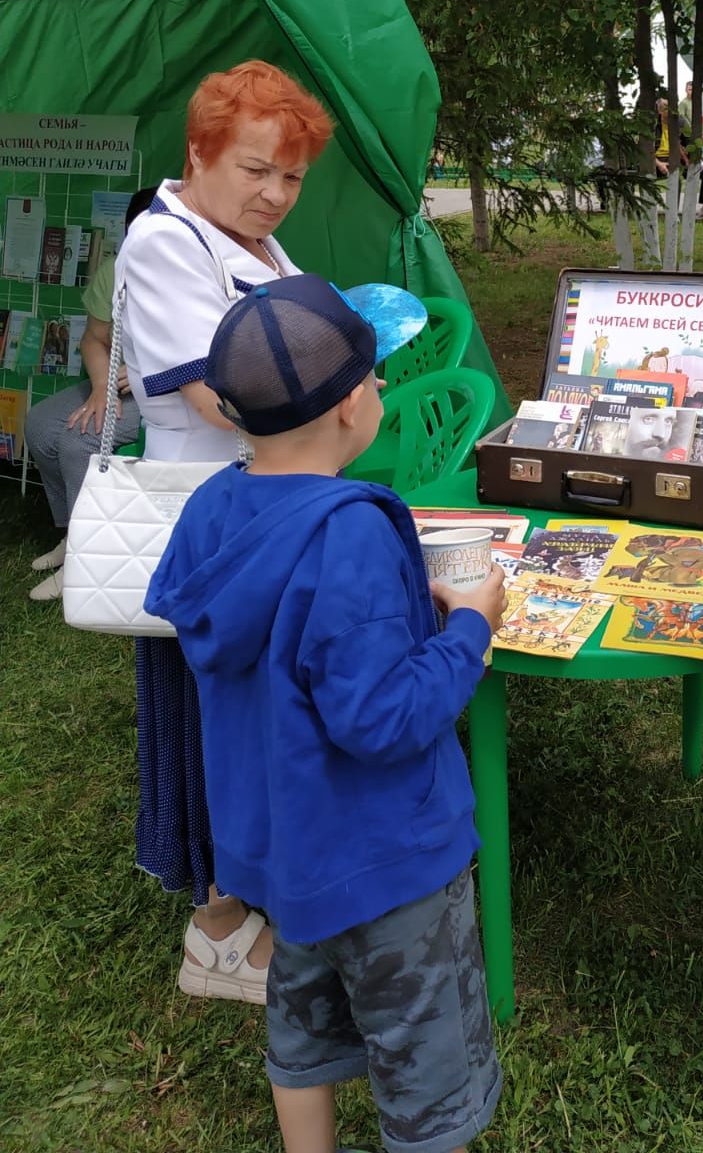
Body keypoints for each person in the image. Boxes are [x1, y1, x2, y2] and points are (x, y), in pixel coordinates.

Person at [145, 274, 504, 1153]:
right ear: (352, 407)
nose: (382, 391)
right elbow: (379, 718)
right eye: (378, 379)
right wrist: (468, 630)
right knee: (427, 1072)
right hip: (390, 867)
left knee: (301, 1035)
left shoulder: (211, 508)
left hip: (283, 860)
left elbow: (274, 634)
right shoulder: (348, 531)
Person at [118, 60, 333, 1003]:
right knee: (203, 718)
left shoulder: (250, 244)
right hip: (205, 525)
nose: (275, 195)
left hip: (263, 516)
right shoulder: (164, 245)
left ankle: (257, 896)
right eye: (256, 170)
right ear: (199, 152)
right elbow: (223, 395)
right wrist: (332, 408)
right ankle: (214, 928)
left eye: (291, 177)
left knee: (251, 718)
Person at [24, 186, 156, 600]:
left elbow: (207, 352)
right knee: (41, 426)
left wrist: (142, 377)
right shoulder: (115, 270)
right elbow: (94, 339)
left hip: (168, 391)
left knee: (80, 439)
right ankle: (70, 536)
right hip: (115, 379)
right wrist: (101, 388)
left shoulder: (193, 275)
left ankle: (87, 558)